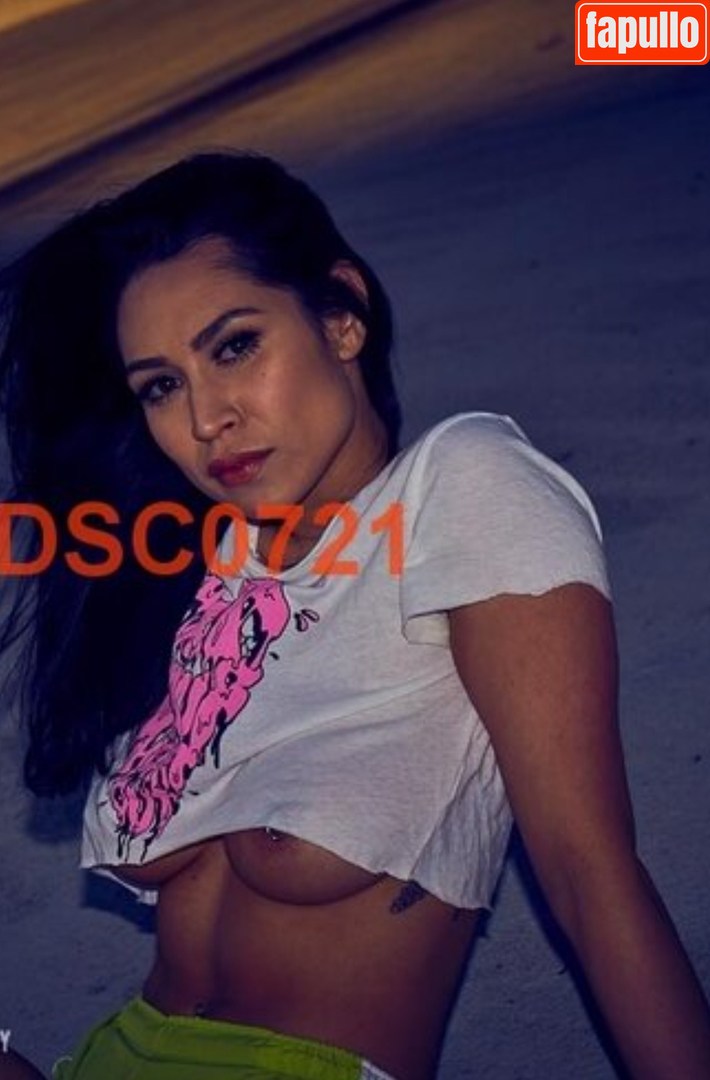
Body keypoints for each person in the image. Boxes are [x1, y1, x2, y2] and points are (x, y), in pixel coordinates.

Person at [0, 152, 708, 1080]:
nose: (206, 418)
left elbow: (589, 875)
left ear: (341, 315)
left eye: (234, 347)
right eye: (161, 386)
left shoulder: (459, 486)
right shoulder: (201, 568)